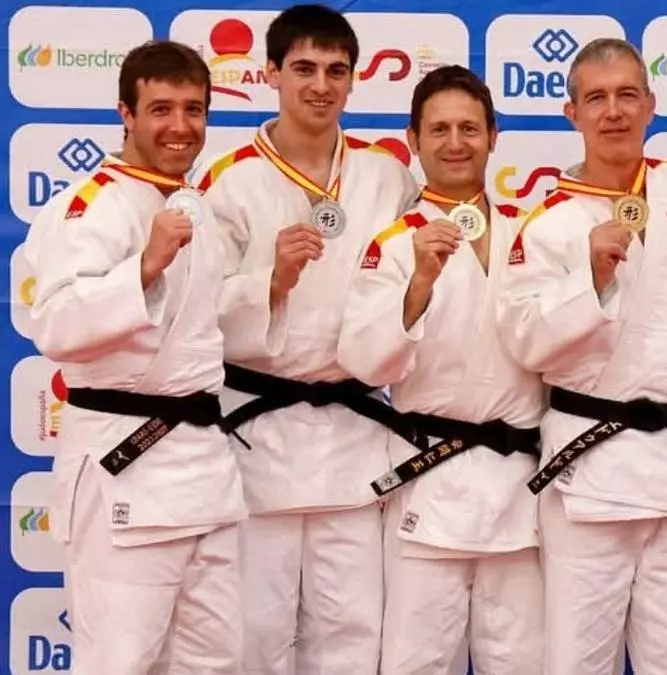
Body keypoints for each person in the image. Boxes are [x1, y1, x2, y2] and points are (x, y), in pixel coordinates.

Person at [493, 37, 667, 675]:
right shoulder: (547, 224)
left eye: (628, 94)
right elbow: (524, 341)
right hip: (590, 467)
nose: (614, 111)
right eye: (596, 98)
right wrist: (591, 279)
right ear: (572, 114)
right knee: (578, 661)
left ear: (651, 104)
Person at [195, 4, 419, 673]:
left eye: (336, 70)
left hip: (354, 436)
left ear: (353, 80)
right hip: (258, 435)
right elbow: (192, 310)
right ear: (270, 73)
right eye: (304, 68)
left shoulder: (386, 176)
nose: (321, 85)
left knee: (353, 631)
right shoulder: (229, 180)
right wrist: (269, 281)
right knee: (253, 632)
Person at [23, 40, 245, 674]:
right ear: (126, 113)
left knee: (215, 662)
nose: (180, 126)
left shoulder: (194, 205)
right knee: (119, 661)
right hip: (127, 461)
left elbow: (205, 324)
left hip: (204, 471)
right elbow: (55, 325)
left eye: (194, 109)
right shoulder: (90, 204)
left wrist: (274, 283)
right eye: (161, 109)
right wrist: (144, 266)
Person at [337, 64, 544, 675]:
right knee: (414, 662)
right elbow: (363, 360)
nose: (456, 143)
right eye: (440, 130)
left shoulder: (533, 232)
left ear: (493, 136)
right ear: (414, 140)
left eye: (469, 129)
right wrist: (419, 283)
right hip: (431, 482)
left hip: (518, 486)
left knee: (524, 662)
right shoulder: (393, 242)